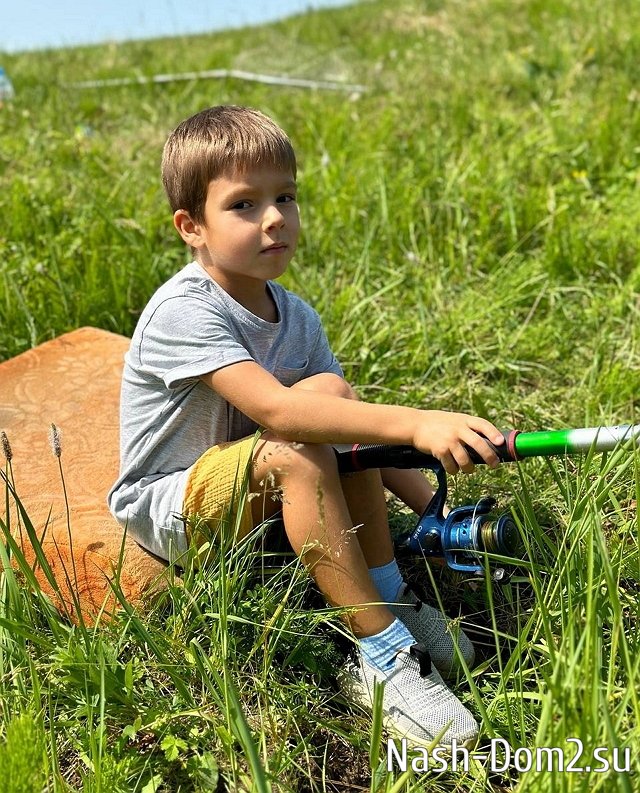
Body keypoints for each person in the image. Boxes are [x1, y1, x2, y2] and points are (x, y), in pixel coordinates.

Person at [108, 105, 505, 748]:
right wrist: (418, 424)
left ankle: (391, 595)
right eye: (243, 205)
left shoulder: (297, 316)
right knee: (298, 442)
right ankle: (377, 652)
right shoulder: (183, 309)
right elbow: (280, 415)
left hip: (261, 489)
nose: (274, 219)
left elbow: (347, 431)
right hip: (174, 504)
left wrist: (440, 499)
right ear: (191, 227)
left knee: (331, 397)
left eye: (285, 197)